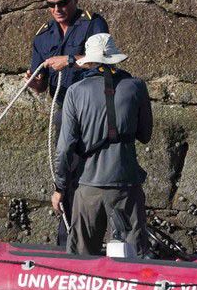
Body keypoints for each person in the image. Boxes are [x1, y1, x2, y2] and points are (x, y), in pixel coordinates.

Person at [26, 0, 109, 247]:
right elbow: (39, 86)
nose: (57, 9)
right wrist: (35, 83)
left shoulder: (92, 24)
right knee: (66, 170)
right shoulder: (42, 36)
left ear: (75, 0)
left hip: (94, 107)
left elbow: (103, 60)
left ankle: (110, 238)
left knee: (102, 169)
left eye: (62, 2)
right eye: (51, 4)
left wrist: (70, 60)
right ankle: (67, 239)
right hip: (64, 108)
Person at [53, 33, 153, 256]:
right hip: (127, 184)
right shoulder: (136, 87)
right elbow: (145, 134)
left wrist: (60, 188)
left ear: (87, 61)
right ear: (115, 59)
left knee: (81, 257)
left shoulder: (75, 92)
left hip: (88, 186)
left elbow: (64, 148)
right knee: (133, 255)